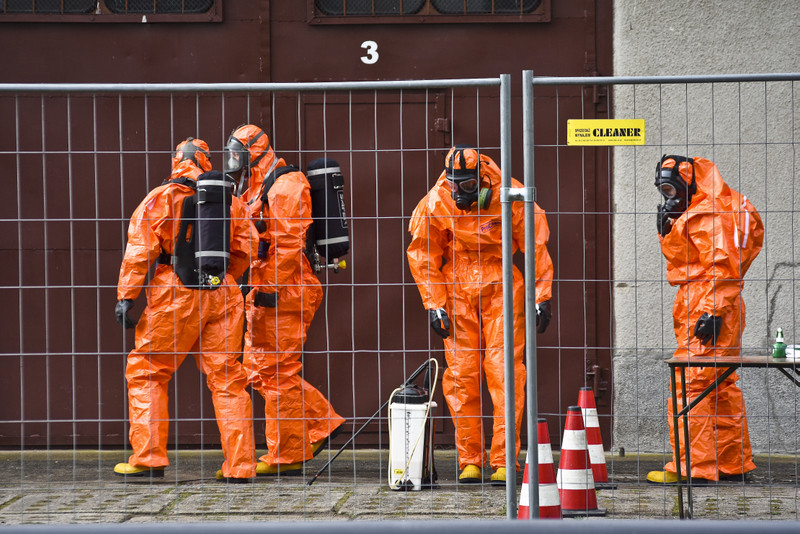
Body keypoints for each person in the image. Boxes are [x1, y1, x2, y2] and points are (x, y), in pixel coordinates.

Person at [406, 145, 554, 485]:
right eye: (454, 185)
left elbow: (535, 244)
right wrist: (435, 303)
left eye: (468, 186)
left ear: (481, 180)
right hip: (457, 287)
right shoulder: (437, 200)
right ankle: (469, 459)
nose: (460, 192)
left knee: (505, 373)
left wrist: (541, 296)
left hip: (501, 285)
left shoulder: (509, 195)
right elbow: (424, 253)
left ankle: (504, 459)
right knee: (462, 374)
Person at [114, 137, 259, 482]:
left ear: (177, 160)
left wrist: (126, 296)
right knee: (228, 379)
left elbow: (140, 249)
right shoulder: (231, 201)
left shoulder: (161, 197)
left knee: (148, 371)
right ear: (207, 162)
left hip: (174, 292)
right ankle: (240, 466)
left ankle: (148, 459)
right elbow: (247, 248)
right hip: (222, 292)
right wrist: (221, 277)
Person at [224, 124, 345, 475]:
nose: (233, 161)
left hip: (287, 290)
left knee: (278, 372)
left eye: (237, 154)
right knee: (259, 370)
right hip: (265, 288)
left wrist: (270, 289)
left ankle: (288, 453)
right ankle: (321, 423)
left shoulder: (287, 185)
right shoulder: (256, 187)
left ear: (254, 151)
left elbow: (288, 245)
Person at [647, 155, 764, 484]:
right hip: (711, 303)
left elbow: (723, 266)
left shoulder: (708, 213)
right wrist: (668, 231)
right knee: (720, 384)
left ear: (689, 184)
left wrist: (712, 310)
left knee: (692, 384)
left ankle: (694, 468)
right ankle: (732, 464)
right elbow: (690, 260)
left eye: (672, 189)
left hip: (708, 303)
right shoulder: (700, 210)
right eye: (663, 190)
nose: (669, 197)